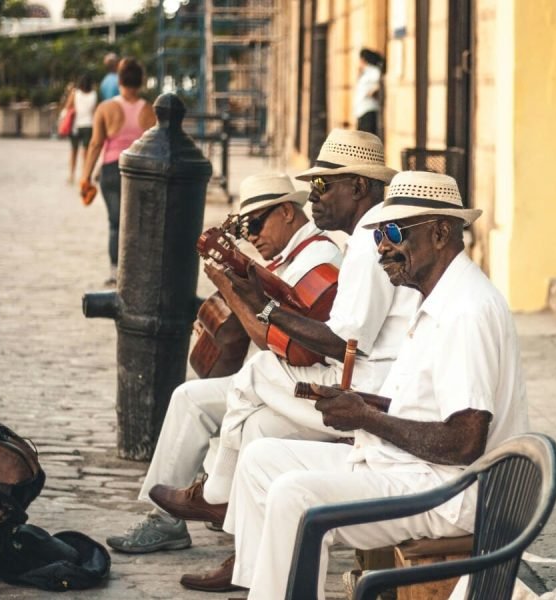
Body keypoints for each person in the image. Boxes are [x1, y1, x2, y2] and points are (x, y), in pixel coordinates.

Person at [191, 170, 530, 598]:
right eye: (377, 236)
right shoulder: (437, 297)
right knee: (261, 459)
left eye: (393, 232)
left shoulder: (465, 311)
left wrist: (366, 418)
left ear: (441, 232)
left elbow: (465, 441)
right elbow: (426, 408)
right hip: (413, 468)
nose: (383, 246)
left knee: (296, 494)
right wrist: (360, 405)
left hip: (450, 490)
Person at [149, 129, 421, 592]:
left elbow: (342, 343)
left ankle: (215, 494)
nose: (316, 198)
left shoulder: (372, 241)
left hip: (369, 392)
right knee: (258, 433)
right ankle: (248, 571)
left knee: (256, 371)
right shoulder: (364, 239)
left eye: (323, 186)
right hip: (368, 377)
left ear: (358, 187)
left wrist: (267, 308)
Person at [105, 173, 343, 554]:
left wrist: (233, 291)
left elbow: (281, 343)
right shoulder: (288, 258)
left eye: (255, 224)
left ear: (286, 212)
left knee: (206, 404)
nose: (251, 236)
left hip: (301, 381)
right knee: (190, 398)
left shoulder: (318, 258)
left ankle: (211, 504)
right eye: (244, 228)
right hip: (276, 377)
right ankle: (175, 514)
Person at [81, 58, 156, 285]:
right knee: (140, 222)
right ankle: (138, 269)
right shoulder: (150, 111)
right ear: (141, 81)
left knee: (116, 222)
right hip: (141, 170)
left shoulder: (105, 109)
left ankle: (115, 272)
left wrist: (85, 176)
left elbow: (95, 144)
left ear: (119, 80)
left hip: (112, 169)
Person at [64, 74, 97, 184]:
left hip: (76, 126)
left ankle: (72, 175)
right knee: (86, 152)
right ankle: (84, 175)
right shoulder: (93, 94)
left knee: (74, 151)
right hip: (89, 125)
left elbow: (68, 106)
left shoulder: (75, 93)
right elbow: (94, 111)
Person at [354, 48, 383, 135]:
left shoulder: (373, 71)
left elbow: (378, 84)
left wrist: (371, 92)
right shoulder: (364, 72)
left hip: (369, 108)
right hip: (361, 110)